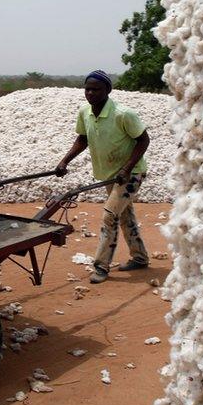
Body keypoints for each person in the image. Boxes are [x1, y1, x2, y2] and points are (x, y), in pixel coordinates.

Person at [55, 70, 150, 284]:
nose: (90, 93)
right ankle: (140, 257)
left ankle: (101, 266)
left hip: (130, 175)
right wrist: (64, 161)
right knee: (125, 216)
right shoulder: (85, 112)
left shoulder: (123, 114)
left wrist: (126, 169)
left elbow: (143, 141)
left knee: (109, 215)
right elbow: (83, 139)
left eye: (96, 89)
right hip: (110, 175)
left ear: (108, 90)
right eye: (87, 89)